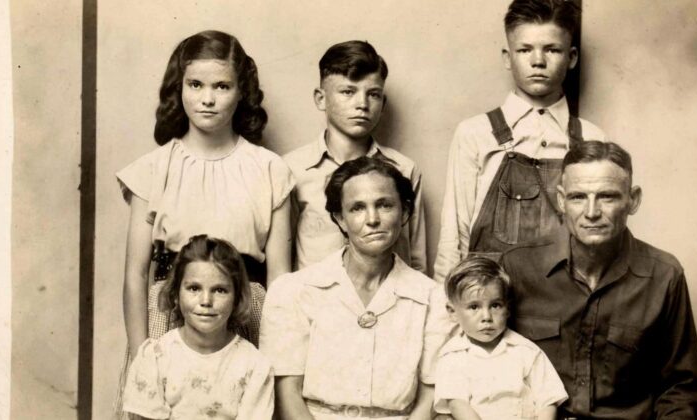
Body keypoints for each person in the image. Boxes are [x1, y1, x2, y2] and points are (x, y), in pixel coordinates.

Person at [114, 30, 293, 416]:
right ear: (179, 88)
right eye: (195, 85)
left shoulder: (270, 169)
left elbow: (280, 279)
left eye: (222, 86)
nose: (208, 98)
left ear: (241, 91)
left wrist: (276, 355)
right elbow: (135, 273)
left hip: (247, 313)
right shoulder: (153, 168)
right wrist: (142, 351)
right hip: (169, 312)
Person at [501, 141, 697, 418]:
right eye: (577, 197)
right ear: (561, 201)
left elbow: (681, 389)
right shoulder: (517, 267)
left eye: (607, 197)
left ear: (632, 200)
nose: (591, 212)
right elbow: (483, 361)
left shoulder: (664, 275)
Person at [260, 157, 447, 420]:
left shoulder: (433, 299)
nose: (372, 219)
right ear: (340, 218)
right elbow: (287, 390)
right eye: (358, 208)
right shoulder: (293, 291)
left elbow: (431, 392)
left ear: (404, 212)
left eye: (384, 205)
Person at [434, 0, 607, 281]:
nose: (538, 61)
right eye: (525, 49)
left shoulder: (592, 138)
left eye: (552, 49)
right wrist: (448, 307)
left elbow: (601, 240)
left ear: (572, 57)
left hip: (566, 301)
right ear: (507, 57)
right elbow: (455, 235)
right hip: (490, 305)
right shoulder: (475, 133)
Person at [284, 40, 427, 273]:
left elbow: (416, 261)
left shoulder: (404, 169)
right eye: (348, 92)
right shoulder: (291, 169)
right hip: (315, 304)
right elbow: (282, 261)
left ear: (383, 103)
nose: (362, 104)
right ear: (321, 99)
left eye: (373, 94)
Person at [122, 235, 273, 419]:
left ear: (237, 298)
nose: (206, 301)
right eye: (194, 288)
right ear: (176, 293)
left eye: (219, 290)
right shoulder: (155, 357)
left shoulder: (254, 365)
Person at [434, 256, 567, 420]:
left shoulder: (526, 351)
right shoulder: (452, 356)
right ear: (452, 311)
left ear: (508, 308)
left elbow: (548, 400)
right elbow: (458, 405)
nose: (487, 317)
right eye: (474, 307)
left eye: (495, 305)